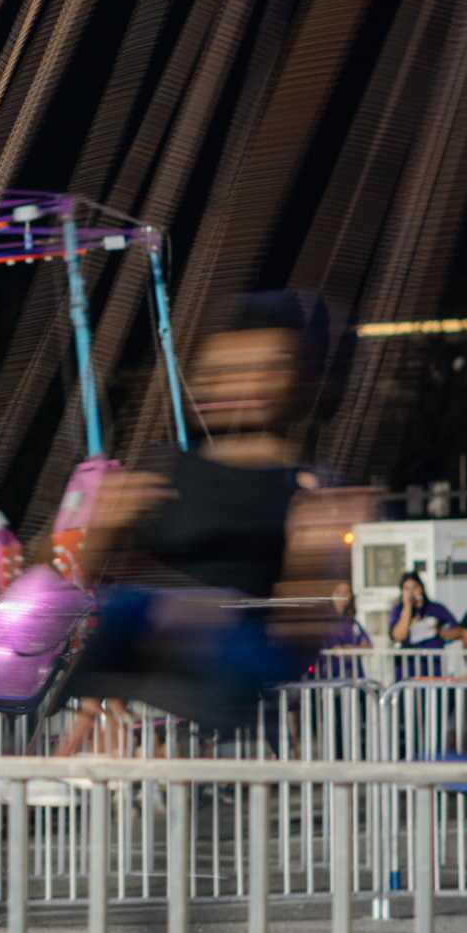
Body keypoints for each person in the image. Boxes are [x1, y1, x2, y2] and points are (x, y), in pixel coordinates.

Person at [22, 292, 363, 773]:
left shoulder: (303, 487)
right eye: (224, 370)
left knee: (145, 609)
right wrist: (99, 531)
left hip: (243, 645)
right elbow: (76, 573)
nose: (240, 386)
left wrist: (314, 557)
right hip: (158, 642)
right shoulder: (166, 471)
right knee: (122, 608)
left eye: (261, 370)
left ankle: (87, 715)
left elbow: (308, 625)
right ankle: (15, 687)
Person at [387, 571, 455, 677]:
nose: (411, 592)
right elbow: (398, 636)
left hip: (434, 670)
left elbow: (456, 629)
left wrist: (440, 631)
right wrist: (407, 607)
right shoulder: (398, 610)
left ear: (421, 588)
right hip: (407, 672)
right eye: (406, 589)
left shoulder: (436, 608)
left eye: (414, 587)